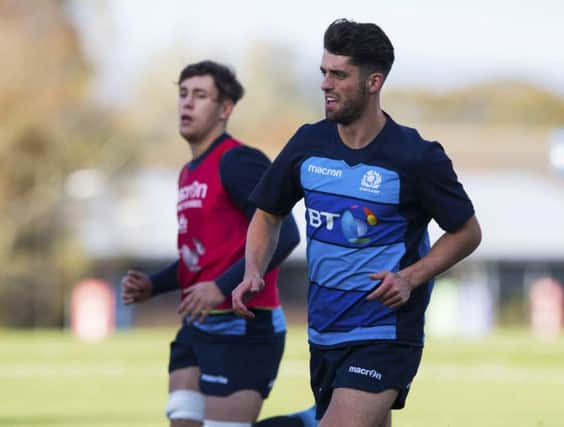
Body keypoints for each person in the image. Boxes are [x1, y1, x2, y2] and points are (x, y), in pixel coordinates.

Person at [232, 19, 482, 427]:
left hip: (385, 332)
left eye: (339, 74)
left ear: (373, 82)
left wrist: (409, 278)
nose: (325, 84)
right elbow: (267, 213)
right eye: (324, 72)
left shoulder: (416, 156)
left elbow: (467, 232)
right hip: (325, 333)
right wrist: (253, 271)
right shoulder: (307, 144)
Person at [121, 60, 311, 427]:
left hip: (243, 327)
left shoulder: (238, 161)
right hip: (197, 327)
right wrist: (153, 285)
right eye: (183, 94)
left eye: (200, 96)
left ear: (225, 109)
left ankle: (317, 421)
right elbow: (200, 259)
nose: (187, 104)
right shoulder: (188, 172)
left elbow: (285, 232)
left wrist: (221, 288)